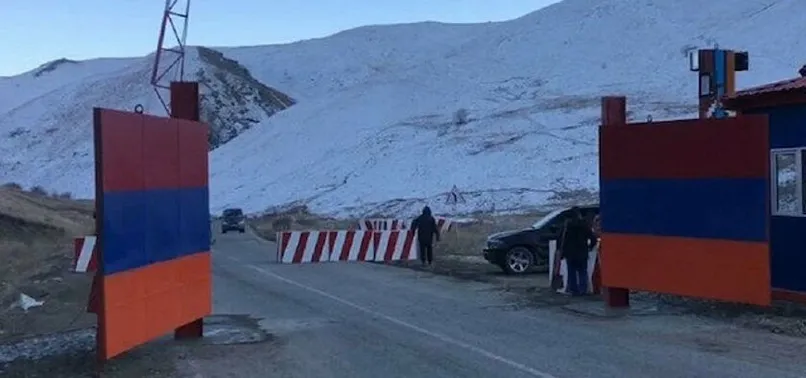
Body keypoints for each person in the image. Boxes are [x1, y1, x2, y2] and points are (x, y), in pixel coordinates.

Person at [560, 207, 598, 296]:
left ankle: (574, 290)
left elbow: (562, 240)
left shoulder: (567, 226)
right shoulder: (584, 225)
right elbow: (593, 238)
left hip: (570, 254)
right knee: (582, 272)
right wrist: (590, 247)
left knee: (571, 272)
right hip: (582, 252)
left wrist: (563, 252)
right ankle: (583, 290)